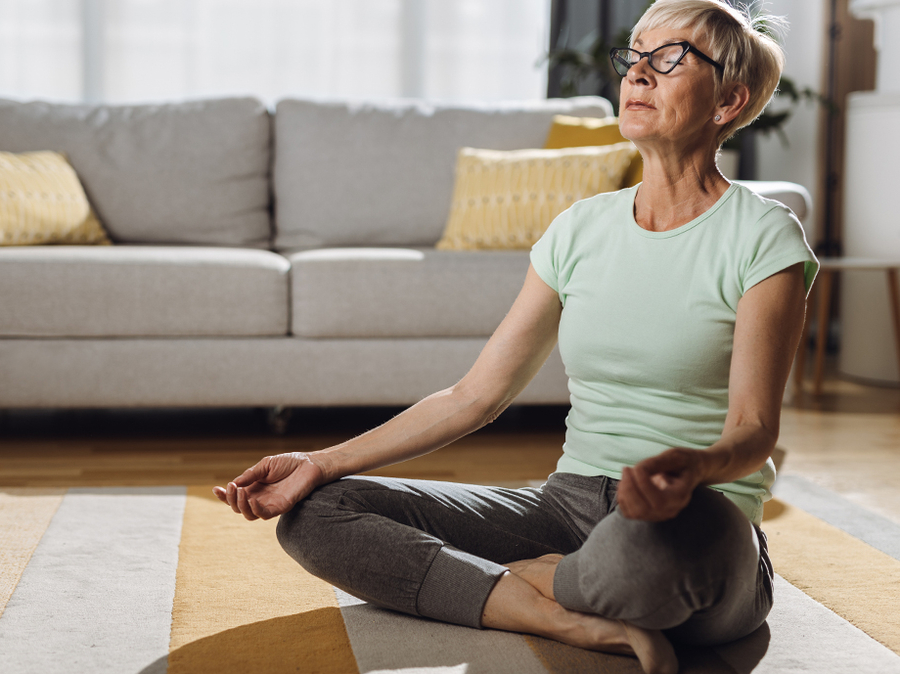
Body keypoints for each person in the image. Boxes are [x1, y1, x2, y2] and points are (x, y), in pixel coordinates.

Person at [213, 1, 818, 672]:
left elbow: (754, 428)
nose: (639, 73)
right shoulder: (579, 229)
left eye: (670, 58)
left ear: (728, 101)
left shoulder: (764, 237)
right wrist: (319, 463)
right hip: (569, 503)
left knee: (647, 557)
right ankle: (552, 609)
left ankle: (522, 579)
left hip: (697, 522)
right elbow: (475, 395)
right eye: (635, 54)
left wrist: (691, 470)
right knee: (319, 514)